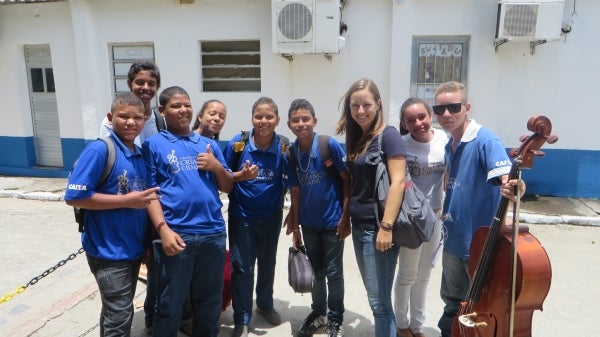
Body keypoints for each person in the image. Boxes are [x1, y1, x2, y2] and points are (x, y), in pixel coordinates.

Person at [64, 92, 160, 337]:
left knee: (115, 311)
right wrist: (126, 201)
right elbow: (74, 196)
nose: (131, 122)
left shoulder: (138, 155)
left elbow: (145, 204)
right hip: (107, 252)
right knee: (119, 314)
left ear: (145, 119)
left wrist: (147, 243)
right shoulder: (100, 150)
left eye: (137, 118)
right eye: (123, 116)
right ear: (110, 117)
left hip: (133, 249)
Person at [433, 81, 524, 337]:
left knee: (478, 312)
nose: (446, 114)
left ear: (467, 107)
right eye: (439, 109)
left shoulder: (485, 139)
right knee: (452, 304)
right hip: (452, 242)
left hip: (479, 245)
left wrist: (516, 188)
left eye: (453, 107)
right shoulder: (449, 144)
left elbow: (509, 179)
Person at [142, 86, 233, 337]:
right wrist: (163, 230)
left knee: (209, 302)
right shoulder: (153, 145)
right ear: (162, 110)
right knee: (170, 302)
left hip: (212, 234)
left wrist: (216, 166)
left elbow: (227, 186)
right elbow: (150, 194)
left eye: (187, 105)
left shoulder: (207, 144)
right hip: (176, 235)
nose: (183, 110)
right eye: (175, 106)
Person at [335, 78, 407, 337]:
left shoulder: (389, 136)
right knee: (375, 297)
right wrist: (346, 217)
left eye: (366, 104)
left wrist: (386, 226)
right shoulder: (358, 138)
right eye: (355, 105)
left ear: (378, 103)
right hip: (360, 228)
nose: (360, 111)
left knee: (379, 303)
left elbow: (398, 182)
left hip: (378, 229)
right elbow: (354, 185)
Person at [283, 98, 350, 337]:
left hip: (333, 222)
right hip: (309, 224)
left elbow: (346, 180)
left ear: (314, 121)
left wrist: (345, 216)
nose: (301, 124)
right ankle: (319, 312)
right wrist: (297, 225)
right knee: (317, 272)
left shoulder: (327, 145)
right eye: (296, 120)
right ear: (289, 125)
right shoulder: (290, 153)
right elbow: (296, 190)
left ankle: (335, 318)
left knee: (334, 272)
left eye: (305, 119)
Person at [222, 97, 288, 337]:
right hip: (242, 216)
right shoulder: (237, 145)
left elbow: (291, 181)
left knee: (267, 263)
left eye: (269, 116)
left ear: (277, 120)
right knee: (242, 268)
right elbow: (224, 178)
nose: (263, 121)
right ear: (252, 118)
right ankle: (242, 317)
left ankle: (265, 304)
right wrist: (241, 176)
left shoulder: (283, 146)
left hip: (271, 216)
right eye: (259, 116)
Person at [393, 98, 447, 337]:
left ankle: (418, 326)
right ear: (404, 123)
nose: (418, 123)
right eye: (411, 120)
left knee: (424, 276)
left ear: (430, 116)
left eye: (422, 117)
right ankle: (402, 325)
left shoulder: (445, 140)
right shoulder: (400, 145)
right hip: (411, 221)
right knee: (407, 274)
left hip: (435, 218)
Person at [99, 60, 163, 147]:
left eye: (151, 84)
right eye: (140, 83)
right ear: (129, 84)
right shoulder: (111, 123)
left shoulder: (161, 123)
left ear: (157, 87)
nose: (145, 87)